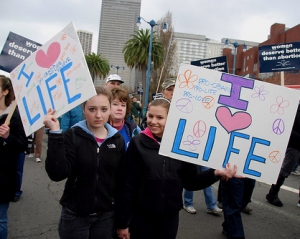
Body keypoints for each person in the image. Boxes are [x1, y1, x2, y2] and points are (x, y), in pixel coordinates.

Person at [116, 98, 238, 239]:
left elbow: (191, 182)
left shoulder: (182, 145)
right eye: (150, 116)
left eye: (160, 117)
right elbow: (128, 185)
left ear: (171, 118)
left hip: (170, 218)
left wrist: (215, 173)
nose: (153, 121)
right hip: (141, 217)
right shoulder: (137, 143)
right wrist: (123, 223)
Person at [44, 86, 126, 239]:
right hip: (75, 217)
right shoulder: (73, 135)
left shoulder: (117, 140)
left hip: (106, 217)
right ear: (83, 109)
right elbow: (57, 173)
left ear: (109, 110)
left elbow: (121, 182)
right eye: (92, 109)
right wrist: (55, 133)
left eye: (103, 109)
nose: (98, 115)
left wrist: (123, 221)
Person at [0, 76, 27, 239]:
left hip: (3, 176)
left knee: (0, 220)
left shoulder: (14, 115)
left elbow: (22, 145)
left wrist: (8, 137)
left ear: (5, 91)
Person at [266, 103, 300, 207]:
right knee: (285, 171)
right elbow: (288, 128)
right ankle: (272, 193)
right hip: (295, 146)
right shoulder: (295, 109)